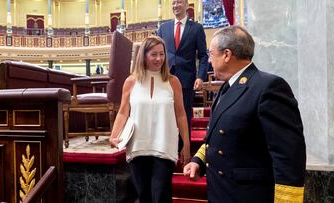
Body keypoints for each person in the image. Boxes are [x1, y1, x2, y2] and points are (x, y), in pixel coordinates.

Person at [183, 26, 306, 203]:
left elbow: (288, 155)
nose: (209, 61)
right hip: (221, 191)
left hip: (247, 194)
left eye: (211, 54)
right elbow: (218, 136)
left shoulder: (268, 87)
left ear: (226, 54)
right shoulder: (226, 87)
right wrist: (198, 161)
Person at [109, 36, 190, 203]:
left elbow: (181, 114)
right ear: (143, 56)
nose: (159, 59)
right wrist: (114, 135)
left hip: (165, 146)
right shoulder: (131, 82)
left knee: (160, 195)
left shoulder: (173, 82)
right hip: (138, 146)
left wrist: (186, 145)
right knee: (144, 195)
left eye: (162, 54)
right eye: (154, 54)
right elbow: (123, 112)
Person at [157, 0, 208, 149]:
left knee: (184, 114)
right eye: (173, 3)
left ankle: (184, 148)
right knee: (165, 113)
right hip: (165, 78)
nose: (175, 5)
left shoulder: (197, 28)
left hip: (187, 79)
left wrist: (200, 77)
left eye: (179, 2)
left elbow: (203, 56)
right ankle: (167, 147)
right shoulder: (163, 28)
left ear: (187, 5)